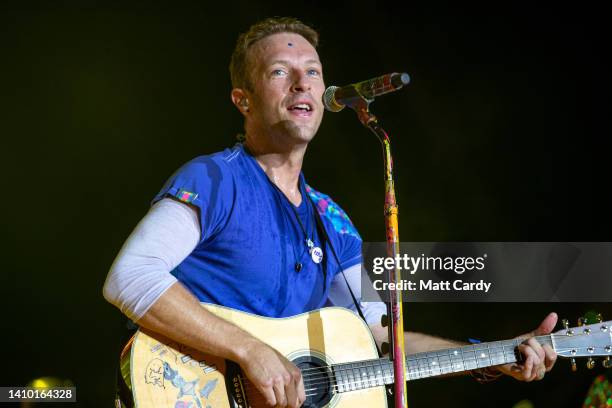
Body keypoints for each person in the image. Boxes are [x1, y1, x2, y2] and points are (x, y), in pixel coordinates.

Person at [103, 17, 557, 408]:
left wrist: (490, 356)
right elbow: (131, 277)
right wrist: (250, 350)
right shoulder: (214, 179)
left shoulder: (331, 219)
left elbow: (381, 342)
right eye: (281, 72)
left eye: (313, 72)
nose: (302, 84)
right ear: (243, 100)